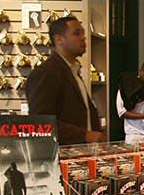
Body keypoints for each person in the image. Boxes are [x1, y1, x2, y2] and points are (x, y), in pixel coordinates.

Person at [26, 16, 103, 145]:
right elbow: (40, 122)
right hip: (61, 156)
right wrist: (84, 135)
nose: (83, 37)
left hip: (80, 154)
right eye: (76, 33)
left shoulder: (72, 71)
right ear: (59, 39)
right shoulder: (47, 72)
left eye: (83, 33)